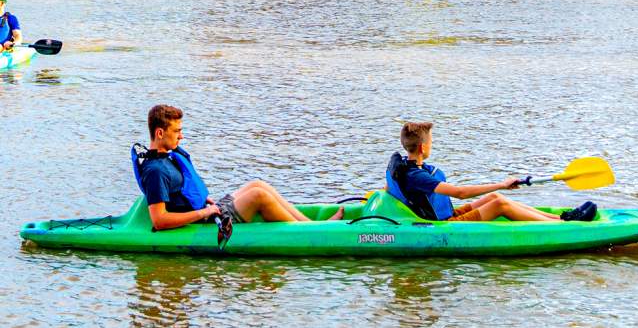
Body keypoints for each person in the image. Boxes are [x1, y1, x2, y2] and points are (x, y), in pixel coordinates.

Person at [133, 104, 344, 231]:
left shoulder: (167, 157)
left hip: (207, 211)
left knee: (257, 184)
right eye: (177, 131)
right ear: (160, 133)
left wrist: (202, 201)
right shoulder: (155, 171)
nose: (182, 135)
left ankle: (311, 225)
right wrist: (204, 212)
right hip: (205, 221)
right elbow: (159, 220)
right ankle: (307, 233)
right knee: (258, 196)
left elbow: (181, 191)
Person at [386, 121, 597, 224]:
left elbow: (389, 188)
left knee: (495, 197)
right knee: (499, 203)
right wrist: (501, 183)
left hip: (447, 215)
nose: (432, 145)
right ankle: (562, 226)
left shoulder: (403, 165)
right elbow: (459, 193)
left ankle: (562, 217)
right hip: (442, 225)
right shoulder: (416, 176)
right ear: (423, 148)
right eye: (431, 142)